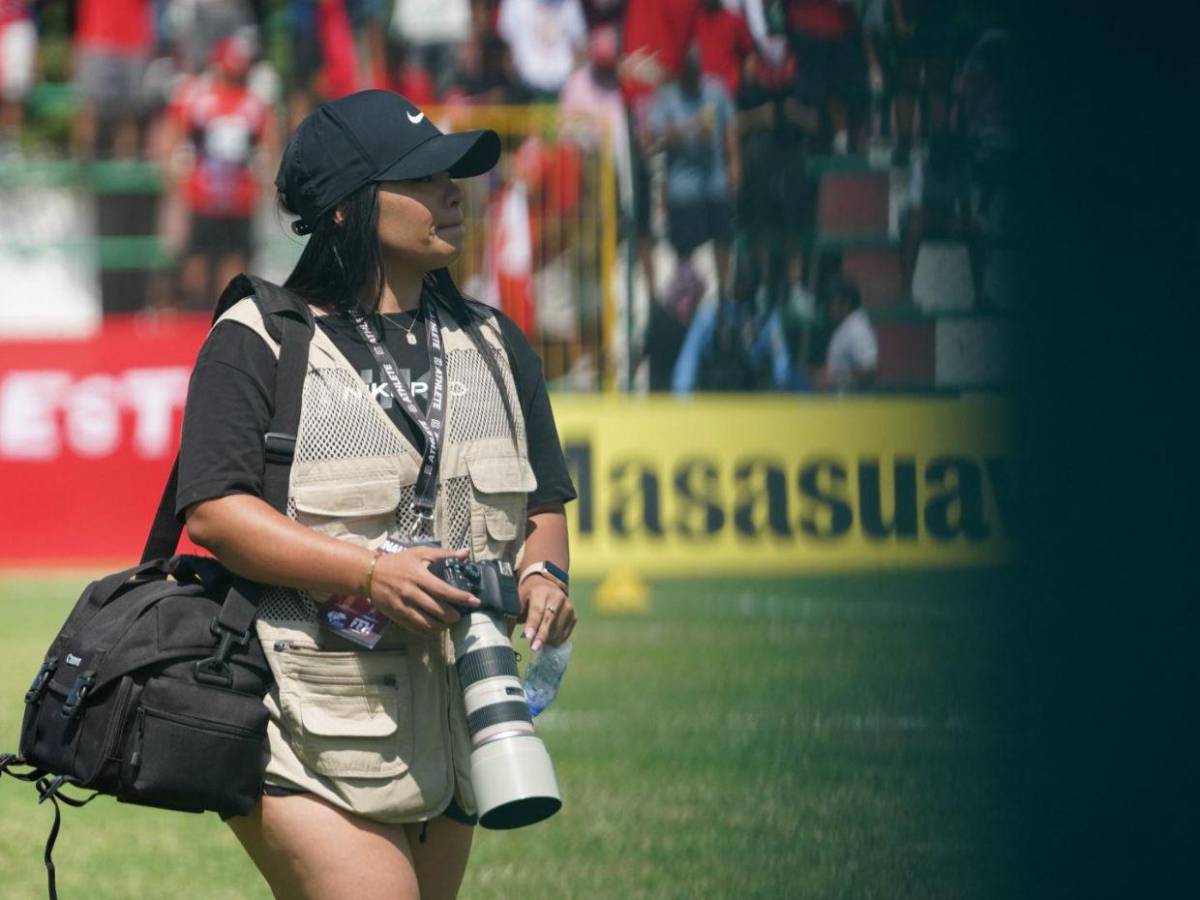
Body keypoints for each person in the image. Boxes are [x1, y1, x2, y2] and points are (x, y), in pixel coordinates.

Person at [177, 89, 578, 898]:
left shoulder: (501, 345)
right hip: (300, 718)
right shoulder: (258, 339)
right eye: (425, 177)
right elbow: (215, 512)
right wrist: (367, 573)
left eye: (453, 175)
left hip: (461, 714)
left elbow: (543, 507)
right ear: (347, 209)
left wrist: (545, 577)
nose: (453, 192)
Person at [163, 35, 278, 310]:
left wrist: (265, 183)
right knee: (198, 262)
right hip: (204, 195)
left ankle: (226, 320)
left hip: (239, 198)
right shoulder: (199, 99)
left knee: (234, 263)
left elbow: (270, 145)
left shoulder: (254, 104)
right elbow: (174, 134)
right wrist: (175, 176)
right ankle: (194, 318)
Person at [648, 45, 740, 300]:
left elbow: (729, 128)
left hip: (714, 182)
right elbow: (655, 138)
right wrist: (689, 129)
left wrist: (735, 165)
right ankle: (687, 300)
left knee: (723, 240)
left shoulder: (716, 90)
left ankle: (724, 294)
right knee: (686, 251)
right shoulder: (667, 97)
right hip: (682, 188)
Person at [819, 274, 877, 390]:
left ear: (847, 302)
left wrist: (836, 377)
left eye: (833, 301)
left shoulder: (857, 329)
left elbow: (870, 371)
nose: (829, 307)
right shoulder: (846, 325)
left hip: (852, 402)